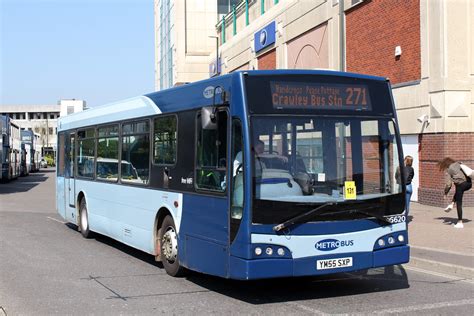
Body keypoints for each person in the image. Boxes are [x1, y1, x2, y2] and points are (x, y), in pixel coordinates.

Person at [437, 157, 472, 228]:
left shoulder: (449, 170)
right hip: (469, 184)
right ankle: (452, 204)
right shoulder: (459, 164)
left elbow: (448, 184)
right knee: (458, 190)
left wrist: (445, 193)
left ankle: (460, 222)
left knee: (459, 203)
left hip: (461, 185)